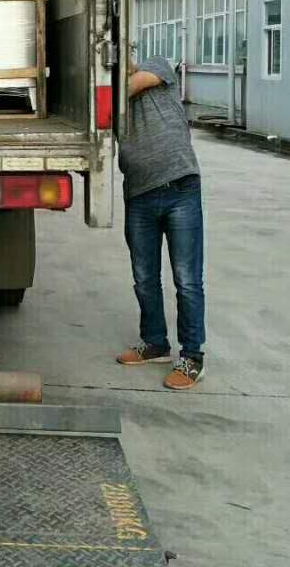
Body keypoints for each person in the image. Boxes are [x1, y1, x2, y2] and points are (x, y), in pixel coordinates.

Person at [115, 54, 206, 391]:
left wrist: (104, 93)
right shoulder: (109, 102)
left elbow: (132, 84)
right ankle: (155, 344)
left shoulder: (156, 66)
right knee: (144, 279)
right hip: (139, 194)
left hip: (180, 187)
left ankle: (192, 357)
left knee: (187, 280)